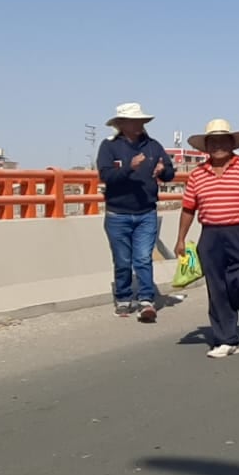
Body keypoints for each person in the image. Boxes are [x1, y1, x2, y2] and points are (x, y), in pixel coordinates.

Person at [174, 119, 239, 359]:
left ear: (232, 143)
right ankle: (226, 339)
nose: (218, 146)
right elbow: (188, 208)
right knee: (217, 289)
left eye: (222, 141)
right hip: (211, 235)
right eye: (212, 142)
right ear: (206, 147)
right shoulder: (197, 175)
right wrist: (181, 239)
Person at [97, 103, 176, 322]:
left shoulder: (153, 146)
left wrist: (164, 170)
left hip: (146, 212)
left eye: (141, 121)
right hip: (117, 214)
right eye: (134, 121)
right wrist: (128, 167)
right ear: (121, 124)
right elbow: (105, 176)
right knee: (122, 260)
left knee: (142, 258)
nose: (139, 125)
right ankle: (123, 298)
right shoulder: (109, 146)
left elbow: (170, 174)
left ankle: (146, 300)